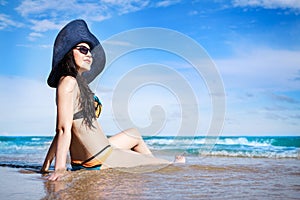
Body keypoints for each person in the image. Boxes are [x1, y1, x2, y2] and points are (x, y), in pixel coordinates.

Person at [41, 19, 184, 181]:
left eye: (89, 51)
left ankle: (146, 164)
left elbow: (65, 125)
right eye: (82, 50)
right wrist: (59, 168)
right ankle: (156, 163)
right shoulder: (68, 82)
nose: (88, 55)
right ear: (69, 53)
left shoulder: (77, 84)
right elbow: (62, 129)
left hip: (100, 151)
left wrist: (46, 165)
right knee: (165, 165)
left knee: (134, 134)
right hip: (100, 157)